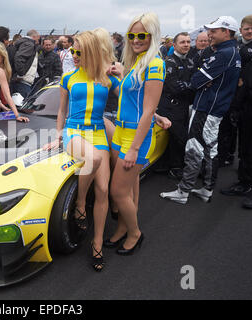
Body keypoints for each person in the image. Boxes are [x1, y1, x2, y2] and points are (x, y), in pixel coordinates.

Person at [44, 31, 121, 271]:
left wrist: (123, 74)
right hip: (74, 132)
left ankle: (97, 241)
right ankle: (79, 203)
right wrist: (58, 134)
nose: (74, 55)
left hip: (98, 133)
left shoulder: (107, 77)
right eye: (72, 51)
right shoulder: (67, 78)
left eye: (79, 52)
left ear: (91, 53)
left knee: (104, 190)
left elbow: (132, 97)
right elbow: (61, 111)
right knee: (95, 158)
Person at [160, 16, 241, 204]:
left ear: (227, 32)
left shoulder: (224, 53)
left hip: (207, 108)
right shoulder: (230, 51)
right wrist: (202, 78)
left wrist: (201, 79)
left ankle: (184, 190)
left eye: (214, 30)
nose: (210, 34)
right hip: (213, 108)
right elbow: (199, 78)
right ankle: (206, 189)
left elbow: (196, 81)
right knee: (210, 149)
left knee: (194, 148)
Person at [105, 13, 165, 256]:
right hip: (120, 132)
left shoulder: (155, 64)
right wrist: (119, 77)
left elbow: (148, 111)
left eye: (142, 35)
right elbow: (130, 99)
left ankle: (135, 233)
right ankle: (122, 228)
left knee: (117, 191)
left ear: (152, 36)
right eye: (132, 35)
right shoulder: (138, 62)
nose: (136, 40)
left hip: (134, 138)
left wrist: (134, 148)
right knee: (128, 189)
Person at [218, 15, 252, 168]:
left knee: (248, 138)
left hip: (250, 98)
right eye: (247, 29)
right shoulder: (236, 44)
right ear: (240, 30)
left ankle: (248, 175)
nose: (250, 31)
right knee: (228, 129)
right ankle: (227, 157)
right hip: (233, 95)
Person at [156, 32, 196, 179]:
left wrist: (191, 85)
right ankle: (175, 167)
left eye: (188, 42)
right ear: (174, 45)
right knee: (179, 137)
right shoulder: (169, 62)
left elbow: (191, 84)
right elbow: (175, 87)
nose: (186, 44)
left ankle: (169, 165)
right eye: (182, 42)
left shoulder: (190, 61)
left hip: (184, 106)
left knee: (177, 138)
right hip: (170, 107)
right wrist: (193, 86)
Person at [11, 30, 41, 99]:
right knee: (24, 107)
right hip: (23, 82)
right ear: (34, 37)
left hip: (23, 82)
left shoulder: (24, 43)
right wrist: (21, 73)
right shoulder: (29, 44)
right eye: (38, 39)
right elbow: (19, 58)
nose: (38, 41)